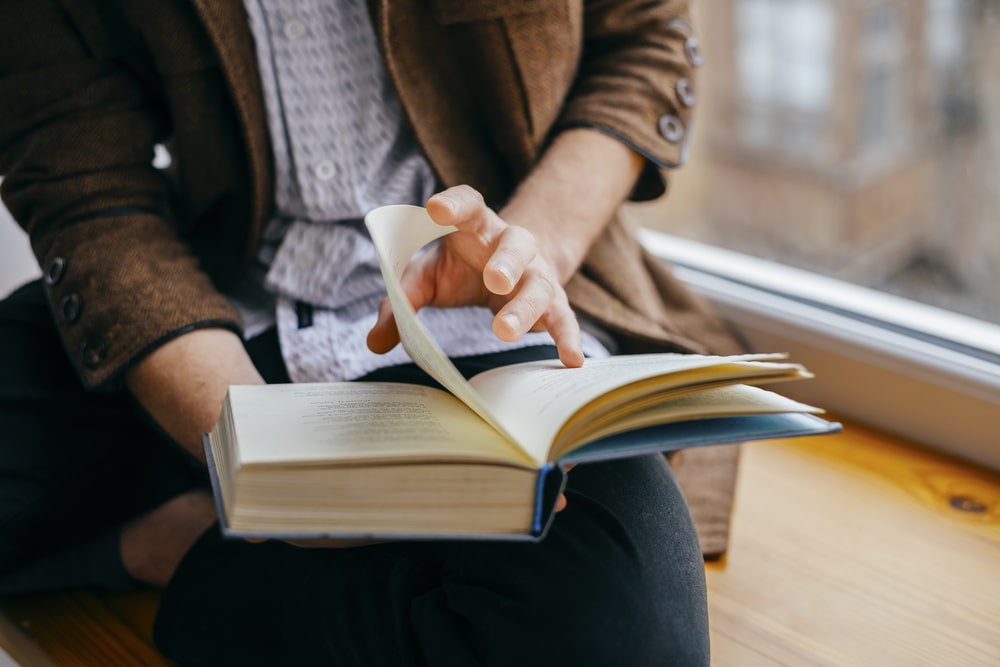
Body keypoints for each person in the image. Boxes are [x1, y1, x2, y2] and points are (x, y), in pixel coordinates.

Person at [0, 0, 744, 664]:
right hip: (208, 319)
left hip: (492, 320)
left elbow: (646, 38)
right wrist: (258, 457)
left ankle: (192, 548)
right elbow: (85, 181)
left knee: (623, 629)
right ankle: (199, 538)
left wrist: (531, 246)